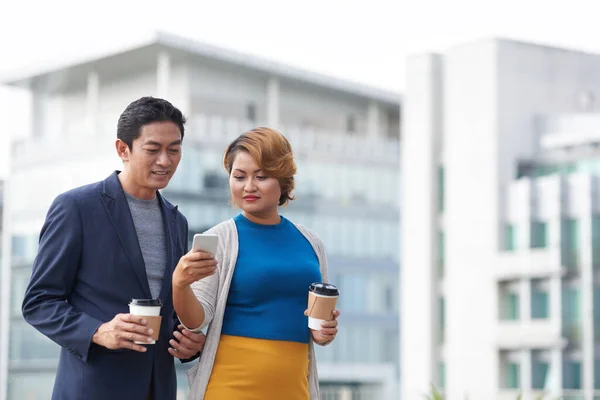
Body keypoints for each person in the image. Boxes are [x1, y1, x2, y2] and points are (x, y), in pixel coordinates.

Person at [22, 96, 206, 400]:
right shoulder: (76, 208)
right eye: (153, 149)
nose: (165, 160)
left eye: (174, 150)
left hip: (158, 389)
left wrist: (185, 342)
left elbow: (166, 308)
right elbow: (38, 301)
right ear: (123, 149)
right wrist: (97, 331)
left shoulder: (177, 221)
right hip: (94, 387)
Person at [172, 127, 340, 400]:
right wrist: (179, 284)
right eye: (239, 177)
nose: (248, 186)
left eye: (261, 176)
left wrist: (325, 333)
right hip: (231, 387)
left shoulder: (312, 242)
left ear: (283, 180)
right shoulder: (220, 238)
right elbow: (195, 320)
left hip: (295, 388)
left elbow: (317, 324)